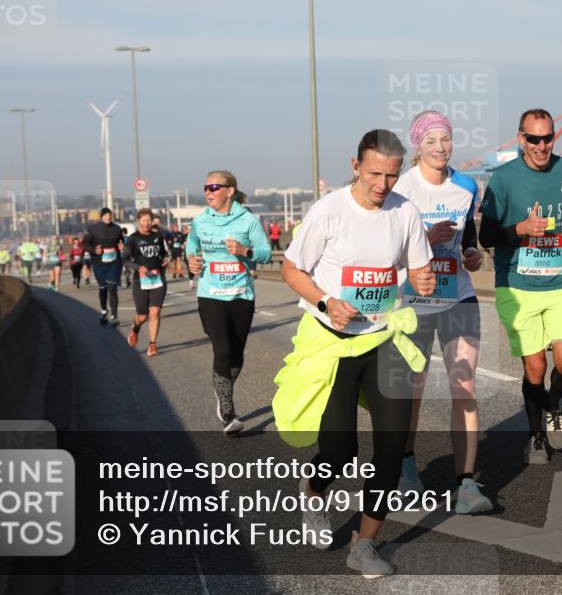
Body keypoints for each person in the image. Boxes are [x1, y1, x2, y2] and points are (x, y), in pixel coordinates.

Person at [276, 129, 436, 578]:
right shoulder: (328, 211)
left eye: (390, 175)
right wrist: (327, 301)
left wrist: (422, 280)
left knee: (391, 448)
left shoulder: (405, 212)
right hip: (333, 343)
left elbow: (418, 265)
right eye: (374, 174)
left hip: (383, 338)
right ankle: (314, 491)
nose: (382, 185)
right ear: (355, 166)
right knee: (340, 451)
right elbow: (292, 268)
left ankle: (364, 544)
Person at [478, 108, 562, 464]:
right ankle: (535, 436)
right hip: (516, 286)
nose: (542, 146)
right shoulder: (503, 178)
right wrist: (520, 230)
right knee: (534, 369)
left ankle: (553, 404)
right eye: (534, 139)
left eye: (548, 138)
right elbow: (485, 236)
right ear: (521, 140)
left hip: (558, 282)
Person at [390, 111, 491, 514]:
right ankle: (406, 467)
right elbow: (388, 250)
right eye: (430, 141)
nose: (439, 148)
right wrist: (425, 240)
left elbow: (471, 239)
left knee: (463, 387)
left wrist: (472, 255)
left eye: (445, 140)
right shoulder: (400, 188)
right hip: (413, 300)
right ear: (417, 146)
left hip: (457, 297)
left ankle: (467, 484)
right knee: (411, 391)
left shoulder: (466, 186)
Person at [186, 171, 272, 433]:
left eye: (214, 187)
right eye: (206, 188)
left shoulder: (248, 221)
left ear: (230, 191)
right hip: (210, 295)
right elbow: (191, 245)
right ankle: (227, 410)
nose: (208, 192)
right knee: (222, 350)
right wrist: (192, 260)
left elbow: (267, 254)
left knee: (236, 355)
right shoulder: (200, 221)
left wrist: (245, 251)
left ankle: (222, 387)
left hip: (241, 296)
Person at [126, 208, 169, 356]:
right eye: (143, 220)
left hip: (158, 278)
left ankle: (152, 344)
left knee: (155, 312)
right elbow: (125, 259)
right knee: (143, 316)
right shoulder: (133, 239)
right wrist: (139, 267)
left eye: (149, 220)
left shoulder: (158, 236)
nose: (146, 224)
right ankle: (135, 328)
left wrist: (165, 258)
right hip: (140, 280)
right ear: (138, 221)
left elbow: (163, 253)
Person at [83, 207, 124, 326]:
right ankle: (104, 310)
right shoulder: (93, 229)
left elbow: (121, 243)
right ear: (101, 217)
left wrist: (122, 247)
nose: (108, 217)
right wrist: (94, 250)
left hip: (114, 263)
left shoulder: (117, 229)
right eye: (106, 215)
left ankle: (114, 316)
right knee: (103, 288)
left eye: (110, 215)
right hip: (99, 263)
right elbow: (85, 244)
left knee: (112, 287)